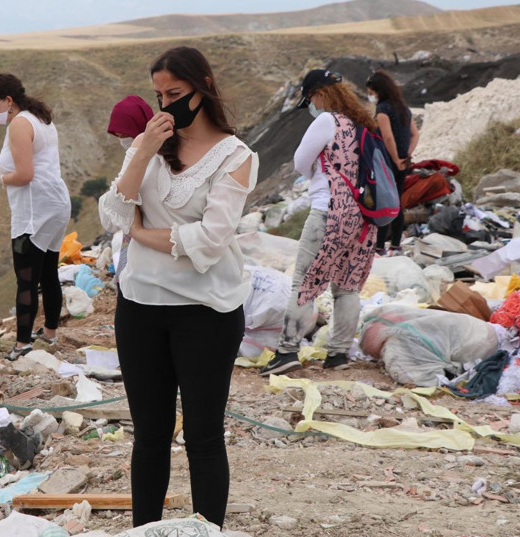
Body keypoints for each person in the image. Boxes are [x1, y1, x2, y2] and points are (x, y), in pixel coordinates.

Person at [98, 46, 257, 528]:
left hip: (205, 310)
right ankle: (146, 529)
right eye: (159, 94)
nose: (166, 103)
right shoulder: (147, 146)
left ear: (203, 86)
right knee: (150, 434)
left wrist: (142, 233)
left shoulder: (236, 155)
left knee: (204, 435)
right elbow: (110, 215)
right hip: (140, 303)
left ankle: (206, 530)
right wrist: (143, 151)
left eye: (176, 93)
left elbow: (210, 241)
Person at [261, 69, 378, 376]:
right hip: (363, 217)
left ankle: (287, 351)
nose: (311, 105)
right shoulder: (362, 122)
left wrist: (317, 171)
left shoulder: (327, 120)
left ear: (320, 94)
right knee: (348, 286)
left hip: (329, 211)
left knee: (305, 281)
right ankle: (338, 354)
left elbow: (301, 161)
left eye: (311, 98)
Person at [0, 73, 71, 360]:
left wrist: (1, 177)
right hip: (55, 205)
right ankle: (49, 333)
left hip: (34, 212)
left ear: (9, 100)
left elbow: (25, 174)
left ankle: (21, 345)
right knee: (49, 272)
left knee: (26, 278)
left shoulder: (20, 124)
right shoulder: (39, 118)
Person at [365, 69, 419, 255]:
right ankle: (396, 244)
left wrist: (395, 160)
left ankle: (379, 246)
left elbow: (387, 138)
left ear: (379, 91)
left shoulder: (382, 110)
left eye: (371, 92)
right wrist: (407, 155)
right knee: (397, 202)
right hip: (404, 162)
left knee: (383, 202)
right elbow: (415, 134)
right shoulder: (404, 108)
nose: (370, 96)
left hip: (387, 163)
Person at [107, 96, 154, 279]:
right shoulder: (133, 159)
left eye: (125, 136)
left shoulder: (158, 159)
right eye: (118, 137)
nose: (123, 141)